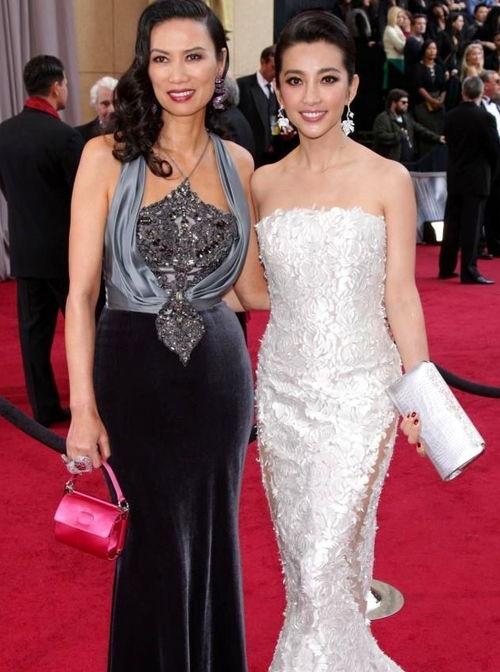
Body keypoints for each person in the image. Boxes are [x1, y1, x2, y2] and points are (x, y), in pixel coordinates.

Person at [64, 1, 267, 670]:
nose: (178, 75)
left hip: (218, 379)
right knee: (150, 542)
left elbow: (251, 290)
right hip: (132, 373)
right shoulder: (104, 157)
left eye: (193, 56)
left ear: (220, 63)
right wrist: (83, 410)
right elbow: (81, 294)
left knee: (213, 536)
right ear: (144, 68)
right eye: (161, 58)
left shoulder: (239, 163)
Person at [252, 10, 428, 670]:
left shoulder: (387, 179)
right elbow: (256, 291)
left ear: (352, 86)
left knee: (323, 563)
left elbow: (400, 294)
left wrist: (420, 396)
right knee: (310, 571)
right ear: (278, 86)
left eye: (328, 79)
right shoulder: (264, 183)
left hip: (360, 394)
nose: (311, 96)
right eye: (295, 80)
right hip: (283, 393)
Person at [0, 55, 83, 426]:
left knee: (34, 336)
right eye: (65, 83)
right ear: (55, 86)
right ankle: (98, 399)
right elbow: (81, 198)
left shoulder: (3, 133)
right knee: (85, 328)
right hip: (66, 254)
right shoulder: (65, 137)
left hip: (25, 250)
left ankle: (45, 409)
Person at [439, 76, 499, 283]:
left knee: (452, 224)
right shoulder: (486, 118)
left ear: (463, 92)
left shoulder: (450, 116)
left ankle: (445, 267)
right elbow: (495, 151)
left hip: (455, 176)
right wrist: (492, 174)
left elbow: (450, 143)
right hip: (477, 179)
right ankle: (469, 270)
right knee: (472, 226)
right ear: (481, 93)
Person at [373, 88, 444, 162]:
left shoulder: (406, 118)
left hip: (407, 161)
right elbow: (381, 136)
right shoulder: (383, 118)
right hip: (391, 161)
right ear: (394, 103)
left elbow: (421, 130)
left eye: (407, 102)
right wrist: (399, 135)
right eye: (403, 102)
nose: (406, 105)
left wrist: (437, 138)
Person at [412, 39, 448, 153]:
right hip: (423, 103)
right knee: (428, 130)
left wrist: (440, 100)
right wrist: (431, 100)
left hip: (439, 103)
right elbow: (419, 86)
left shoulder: (439, 67)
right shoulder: (418, 67)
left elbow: (444, 87)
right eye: (429, 48)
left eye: (434, 48)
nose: (432, 51)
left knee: (441, 130)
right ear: (424, 50)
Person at [75, 75, 118, 143]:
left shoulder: (132, 132)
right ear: (95, 105)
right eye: (105, 104)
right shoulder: (80, 135)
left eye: (116, 102)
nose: (112, 109)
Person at [383, 6, 407, 89]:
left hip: (400, 60)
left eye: (402, 17)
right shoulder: (389, 29)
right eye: (398, 17)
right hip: (393, 62)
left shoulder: (397, 28)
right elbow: (401, 47)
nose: (401, 19)